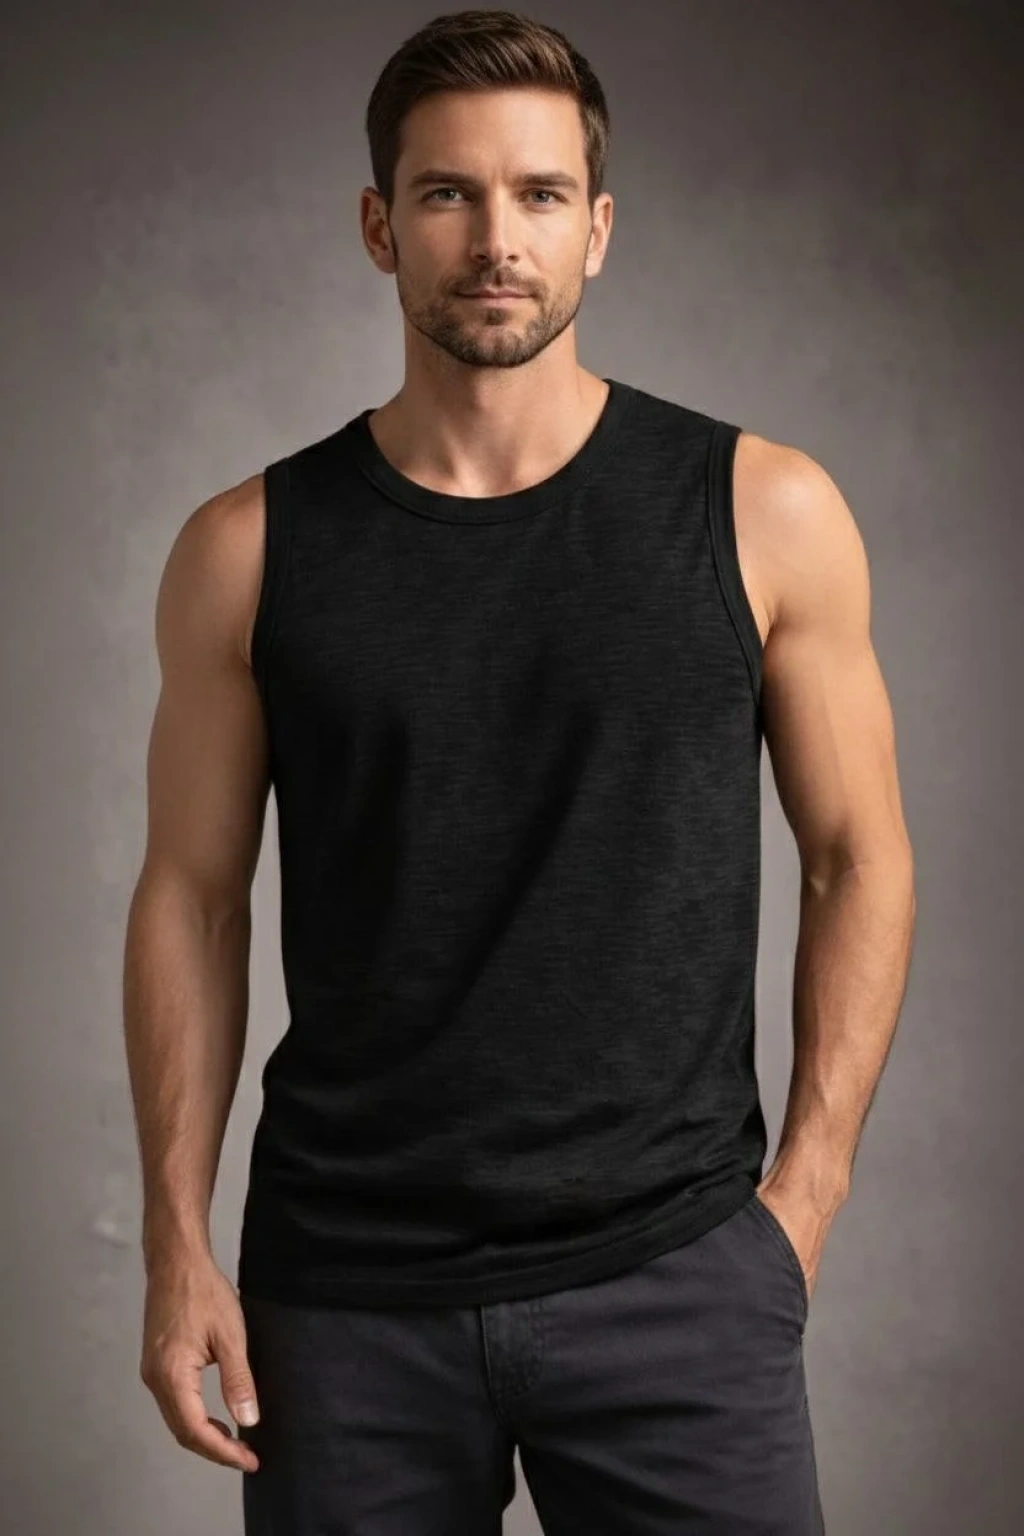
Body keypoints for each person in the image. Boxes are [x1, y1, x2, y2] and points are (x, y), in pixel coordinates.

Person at [123, 10, 916, 1533]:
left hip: (678, 1276)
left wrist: (798, 1209)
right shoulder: (248, 550)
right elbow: (192, 897)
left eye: (540, 194)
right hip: (344, 1302)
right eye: (449, 193)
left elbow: (859, 857)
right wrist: (175, 1243)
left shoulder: (764, 512)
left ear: (597, 229)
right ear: (380, 225)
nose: (497, 240)